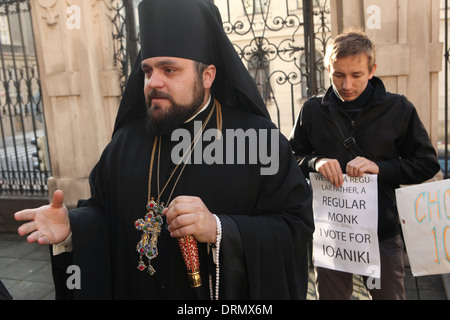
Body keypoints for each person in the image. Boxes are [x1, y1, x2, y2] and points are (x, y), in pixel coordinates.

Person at [14, 0, 314, 300]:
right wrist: (73, 228)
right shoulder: (125, 143)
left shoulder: (259, 140)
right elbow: (104, 213)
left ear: (207, 76)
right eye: (147, 71)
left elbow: (295, 227)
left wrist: (220, 229)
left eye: (169, 70)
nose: (153, 83)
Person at [289, 31, 440, 300]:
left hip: (382, 233)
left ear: (372, 71)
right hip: (332, 234)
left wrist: (381, 168)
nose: (346, 84)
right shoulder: (312, 110)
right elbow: (290, 156)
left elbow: (426, 164)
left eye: (356, 75)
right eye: (338, 75)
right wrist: (316, 162)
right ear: (327, 70)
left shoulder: (399, 108)